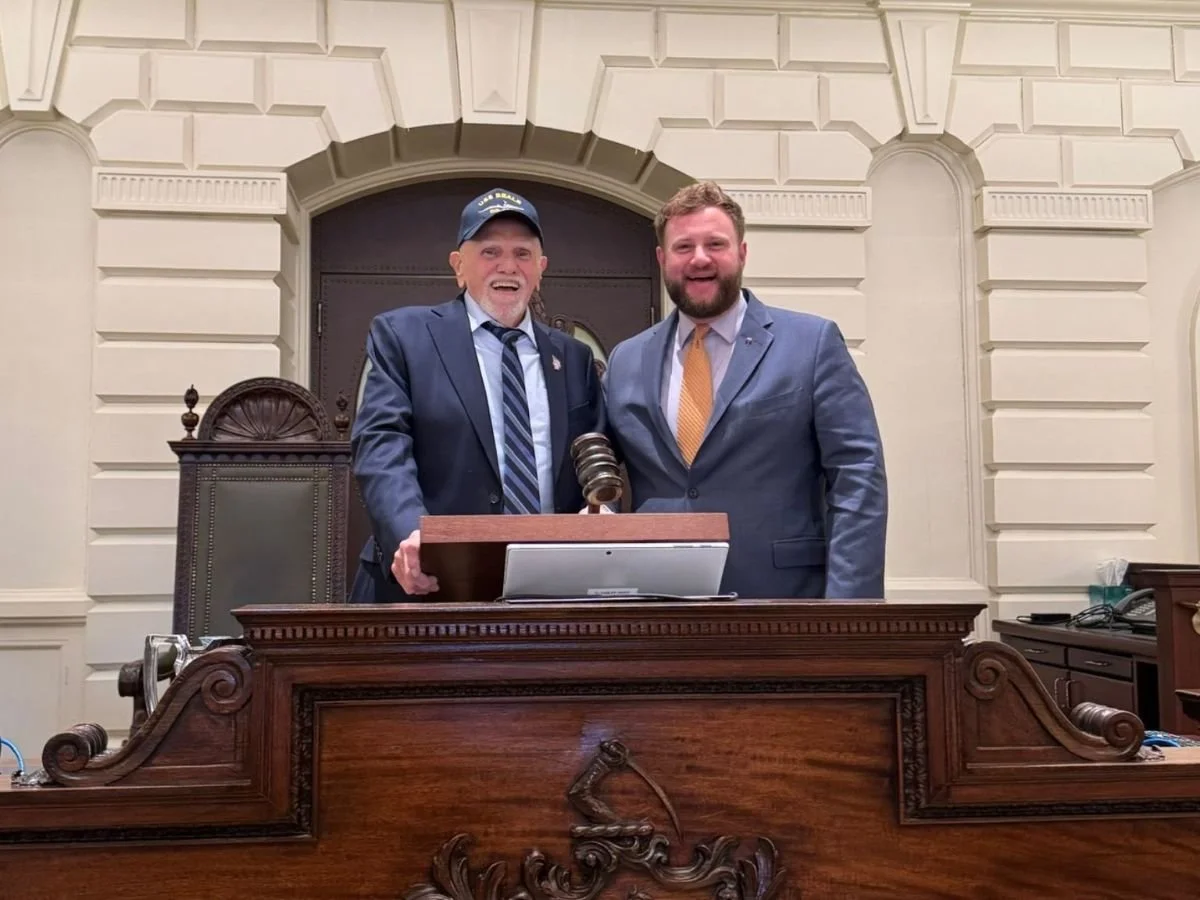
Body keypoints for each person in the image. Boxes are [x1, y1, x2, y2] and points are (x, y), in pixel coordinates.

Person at [602, 181, 887, 599]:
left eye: (715, 244)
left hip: (782, 602)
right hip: (656, 602)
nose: (700, 258)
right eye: (684, 247)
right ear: (662, 258)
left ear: (742, 252)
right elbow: (600, 475)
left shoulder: (811, 344)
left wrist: (849, 609)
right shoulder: (626, 359)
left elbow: (857, 475)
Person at [349, 188, 605, 602]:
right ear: (458, 265)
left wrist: (601, 516)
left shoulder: (574, 357)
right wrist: (411, 532)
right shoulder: (405, 337)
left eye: (522, 254)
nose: (508, 266)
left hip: (548, 590)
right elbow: (382, 445)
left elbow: (594, 457)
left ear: (540, 268)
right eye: (490, 252)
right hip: (431, 583)